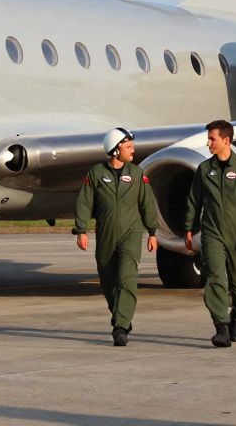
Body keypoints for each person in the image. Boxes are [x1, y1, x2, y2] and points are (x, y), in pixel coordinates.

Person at [73, 127, 159, 346]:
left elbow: (147, 204)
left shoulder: (137, 174)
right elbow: (84, 202)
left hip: (130, 234)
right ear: (115, 149)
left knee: (127, 278)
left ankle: (120, 326)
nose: (133, 150)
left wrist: (152, 232)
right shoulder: (96, 174)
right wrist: (81, 230)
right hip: (106, 235)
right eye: (129, 146)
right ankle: (121, 315)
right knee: (108, 282)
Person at [185, 119, 236, 347]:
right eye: (208, 138)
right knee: (215, 279)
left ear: (226, 141)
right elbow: (194, 201)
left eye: (212, 139)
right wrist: (188, 229)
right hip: (212, 234)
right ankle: (221, 327)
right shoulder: (204, 169)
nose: (208, 143)